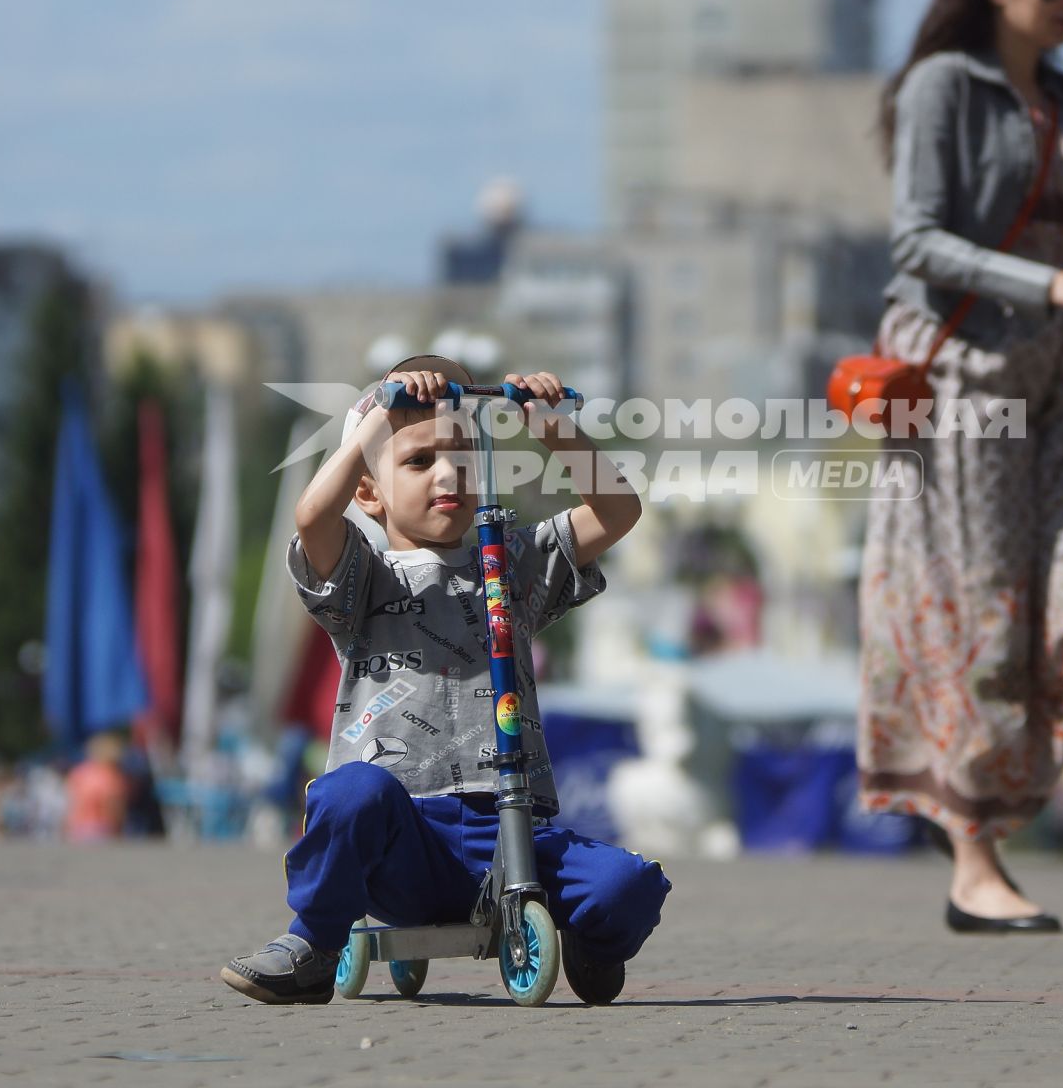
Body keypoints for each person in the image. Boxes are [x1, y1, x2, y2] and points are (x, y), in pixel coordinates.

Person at [857, 0, 1063, 932]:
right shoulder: (943, 85)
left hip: (1060, 381)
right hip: (959, 381)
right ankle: (973, 860)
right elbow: (914, 241)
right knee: (983, 615)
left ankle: (980, 808)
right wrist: (1047, 286)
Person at [220, 356, 667, 1004]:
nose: (447, 473)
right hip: (402, 833)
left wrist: (554, 430)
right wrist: (373, 426)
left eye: (461, 454)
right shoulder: (362, 577)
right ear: (369, 491)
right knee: (350, 793)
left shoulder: (510, 561)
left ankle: (592, 944)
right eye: (418, 459)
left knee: (628, 886)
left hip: (511, 827)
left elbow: (617, 511)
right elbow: (313, 517)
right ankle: (313, 942)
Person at [65, 731, 130, 842]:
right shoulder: (112, 777)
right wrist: (119, 830)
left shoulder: (79, 772)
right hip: (102, 827)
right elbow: (114, 808)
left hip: (77, 826)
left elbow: (71, 803)